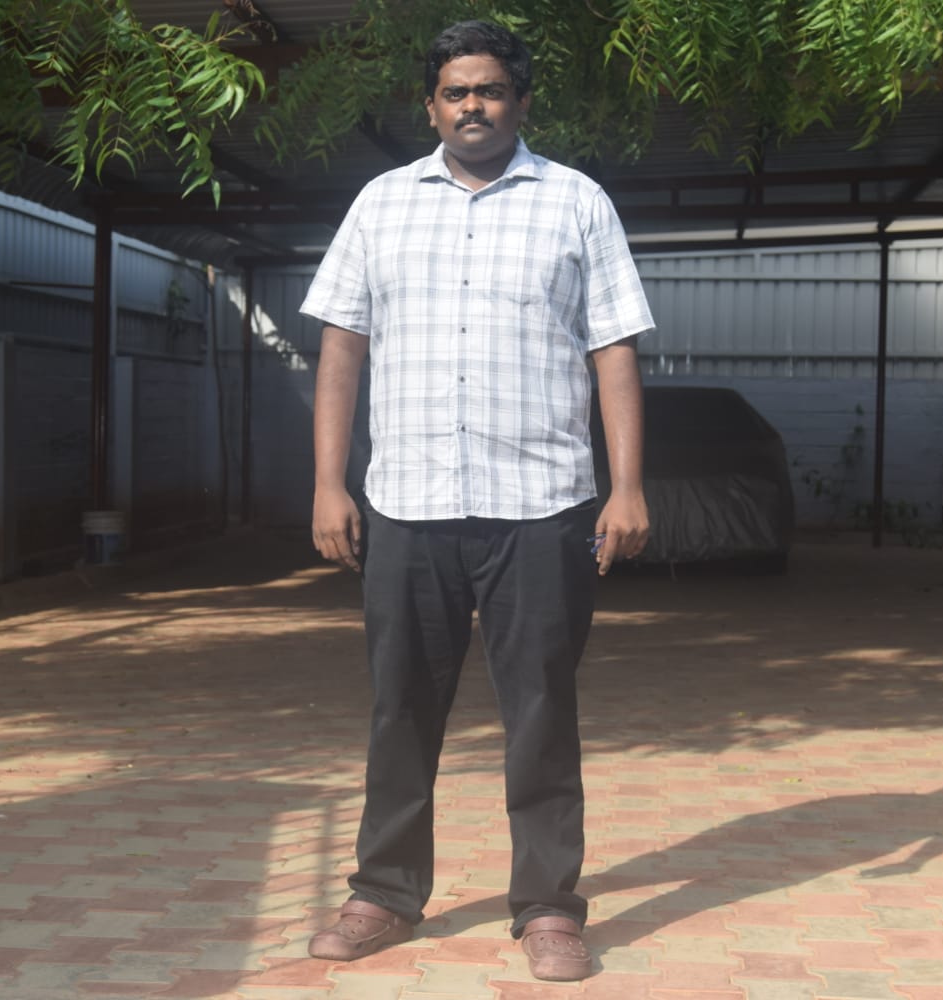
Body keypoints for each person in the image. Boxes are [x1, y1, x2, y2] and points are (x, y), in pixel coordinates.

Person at [299, 19, 653, 983]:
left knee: (541, 711)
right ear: (431, 107)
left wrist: (627, 486)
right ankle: (383, 892)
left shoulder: (575, 202)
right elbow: (341, 347)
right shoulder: (380, 204)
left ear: (520, 102)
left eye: (490, 90)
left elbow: (614, 347)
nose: (473, 106)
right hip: (408, 502)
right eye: (456, 92)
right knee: (400, 708)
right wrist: (328, 484)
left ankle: (548, 907)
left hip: (541, 504)